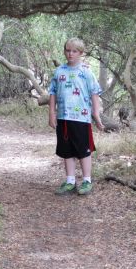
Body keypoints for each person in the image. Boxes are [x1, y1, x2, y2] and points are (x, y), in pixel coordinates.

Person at [48, 37, 104, 195]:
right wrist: (51, 113)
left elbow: (94, 93)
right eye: (68, 50)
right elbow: (52, 93)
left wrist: (96, 115)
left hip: (81, 118)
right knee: (67, 150)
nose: (70, 54)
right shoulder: (59, 71)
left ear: (81, 53)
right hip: (63, 118)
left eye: (74, 51)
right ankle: (70, 181)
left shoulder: (86, 72)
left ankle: (87, 181)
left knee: (83, 150)